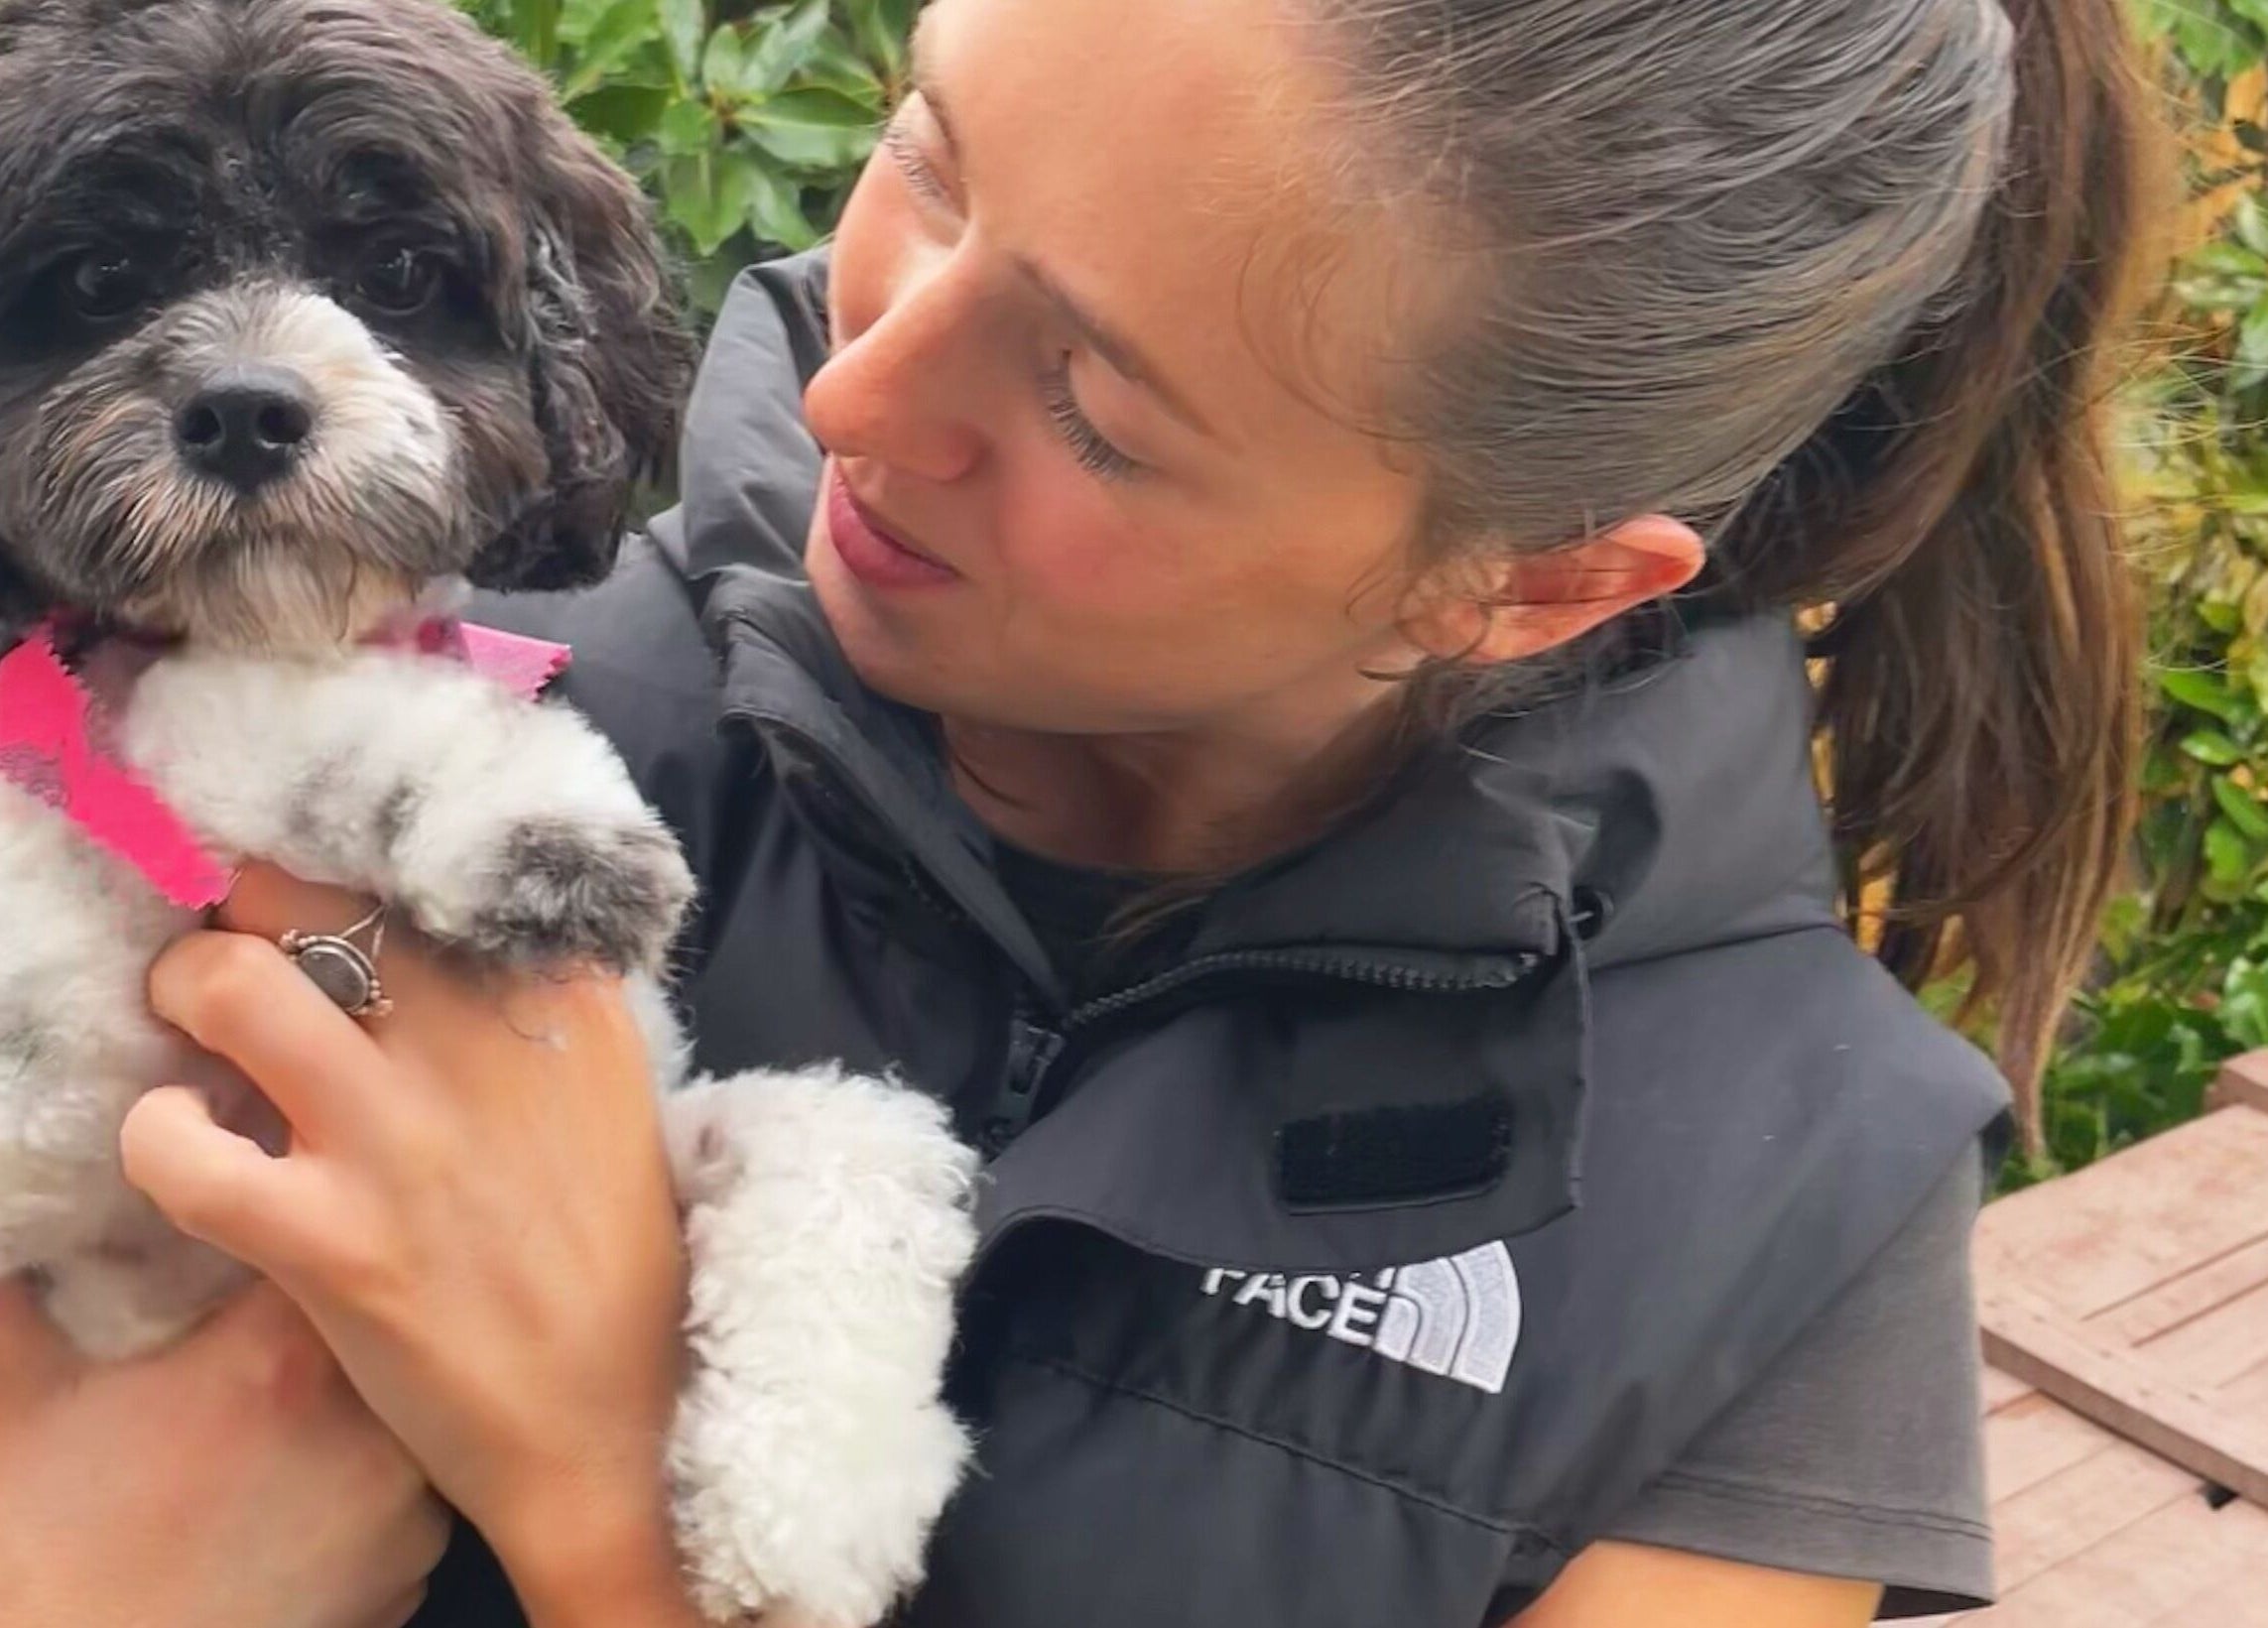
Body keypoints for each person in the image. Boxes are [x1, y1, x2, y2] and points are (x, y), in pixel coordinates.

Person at [0, 0, 2163, 1623]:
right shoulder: (437, 653)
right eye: (930, 160)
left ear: (1528, 578)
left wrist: (593, 1500)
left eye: (1094, 403)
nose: (848, 391)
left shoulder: (1777, 1216)